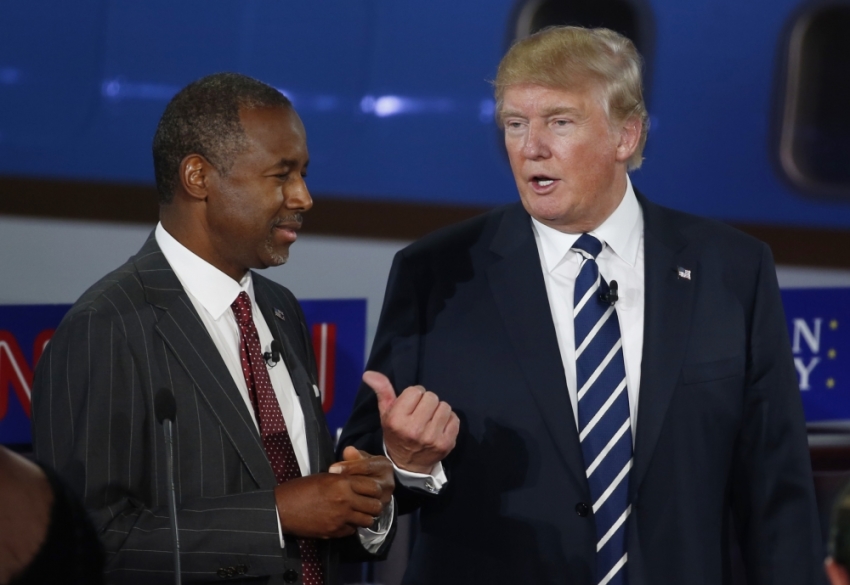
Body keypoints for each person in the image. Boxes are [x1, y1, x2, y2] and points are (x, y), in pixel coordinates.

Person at [339, 26, 823, 585]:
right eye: (516, 125)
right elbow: (362, 474)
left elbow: (775, 486)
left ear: (626, 135)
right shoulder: (437, 272)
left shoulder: (732, 269)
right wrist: (404, 462)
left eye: (559, 122)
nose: (531, 147)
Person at [31, 72, 395, 584]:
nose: (304, 197)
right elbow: (87, 542)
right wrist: (274, 516)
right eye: (281, 175)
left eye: (304, 174)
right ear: (198, 177)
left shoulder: (280, 309)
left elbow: (310, 517)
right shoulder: (106, 326)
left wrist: (358, 500)